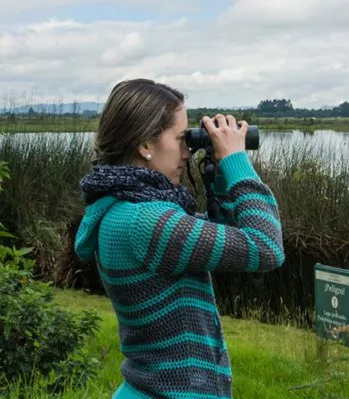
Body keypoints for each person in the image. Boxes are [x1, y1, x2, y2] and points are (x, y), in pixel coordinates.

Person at [74, 78, 285, 398]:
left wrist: (217, 178)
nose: (188, 150)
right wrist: (236, 162)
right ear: (145, 145)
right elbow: (265, 248)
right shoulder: (145, 222)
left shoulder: (120, 212)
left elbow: (227, 236)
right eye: (180, 138)